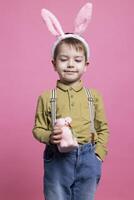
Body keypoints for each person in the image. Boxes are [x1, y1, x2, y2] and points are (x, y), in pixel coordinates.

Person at [32, 2, 109, 200]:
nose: (70, 65)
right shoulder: (47, 97)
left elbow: (103, 128)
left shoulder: (94, 96)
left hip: (88, 157)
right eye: (64, 59)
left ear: (86, 65)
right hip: (57, 160)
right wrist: (50, 136)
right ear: (54, 64)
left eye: (77, 60)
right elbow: (38, 129)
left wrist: (98, 155)